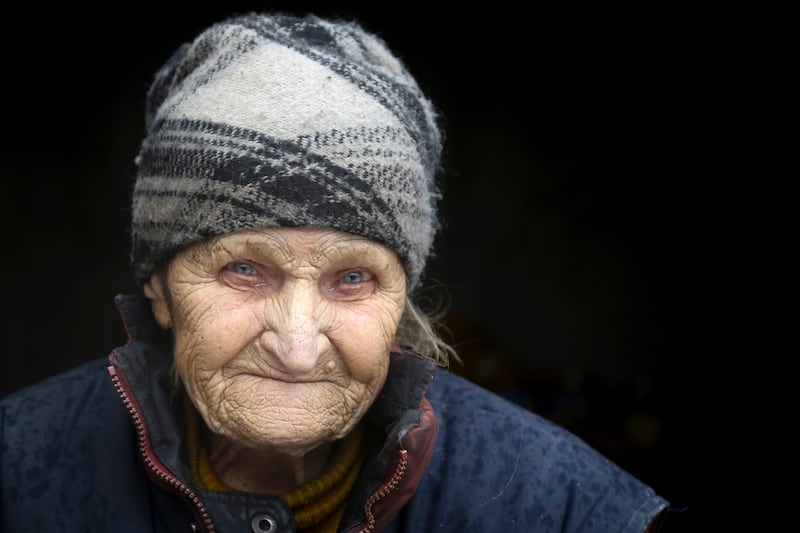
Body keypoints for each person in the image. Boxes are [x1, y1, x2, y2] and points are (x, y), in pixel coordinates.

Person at [0, 12, 677, 532]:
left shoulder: (561, 505)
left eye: (352, 279)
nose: (297, 346)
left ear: (403, 297)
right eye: (243, 268)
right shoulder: (17, 471)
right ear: (160, 289)